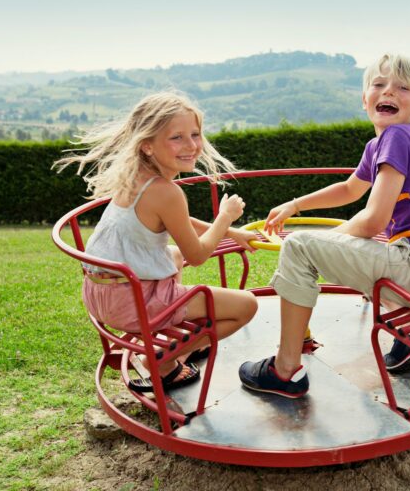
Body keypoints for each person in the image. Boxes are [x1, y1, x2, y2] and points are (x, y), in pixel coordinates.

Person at [238, 54, 410, 398]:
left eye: (402, 87)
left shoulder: (400, 137)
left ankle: (284, 371)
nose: (388, 91)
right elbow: (350, 189)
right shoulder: (385, 142)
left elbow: (374, 219)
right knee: (319, 245)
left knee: (300, 246)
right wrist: (297, 205)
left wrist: (320, 241)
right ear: (365, 100)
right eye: (379, 84)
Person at [54, 91, 258, 393]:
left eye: (195, 134)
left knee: (173, 255)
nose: (191, 146)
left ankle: (172, 344)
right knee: (247, 306)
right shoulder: (166, 191)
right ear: (147, 145)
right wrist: (225, 218)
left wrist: (230, 233)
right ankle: (164, 360)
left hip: (103, 293)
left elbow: (177, 223)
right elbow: (199, 254)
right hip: (133, 303)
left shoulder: (137, 176)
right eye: (177, 138)